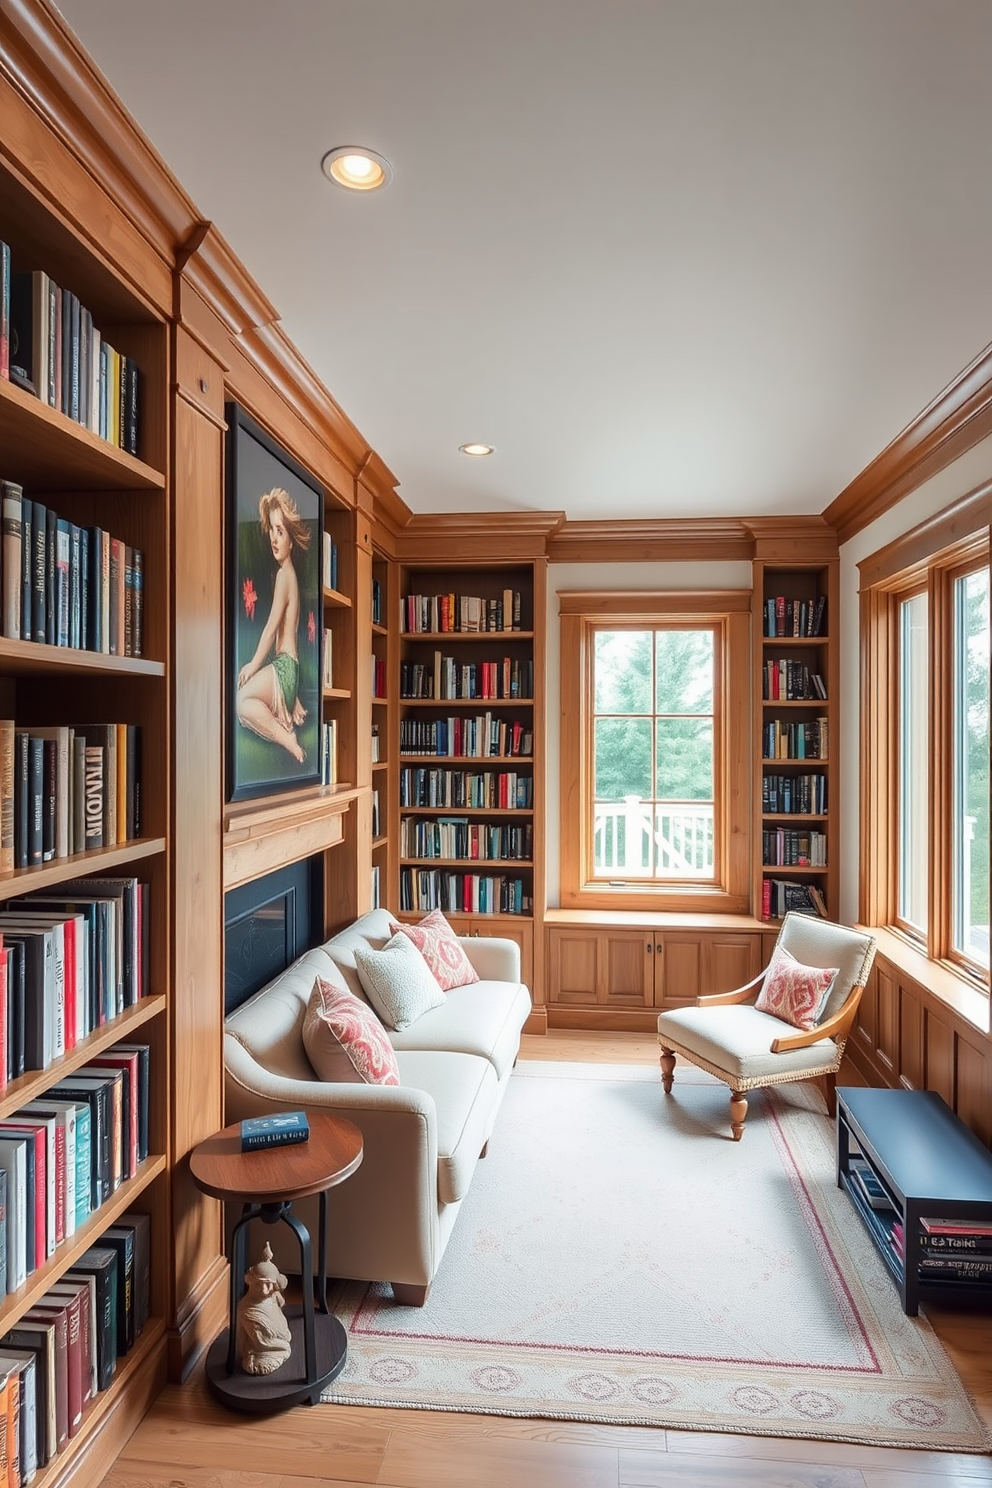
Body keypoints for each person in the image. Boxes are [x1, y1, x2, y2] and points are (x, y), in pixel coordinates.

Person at [236, 486, 311, 762]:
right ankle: (285, 730)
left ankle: (287, 740)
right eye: (272, 530)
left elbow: (271, 629)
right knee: (246, 708)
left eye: (281, 532)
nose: (274, 539)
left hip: (284, 667)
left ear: (292, 540)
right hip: (289, 668)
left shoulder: (284, 576)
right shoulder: (289, 576)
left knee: (242, 702)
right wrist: (296, 696)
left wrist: (253, 665)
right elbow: (289, 637)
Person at [236, 1241, 293, 1376]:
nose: (263, 1290)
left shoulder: (272, 1295)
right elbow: (262, 1342)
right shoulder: (248, 1310)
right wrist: (285, 1346)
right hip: (262, 1350)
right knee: (262, 1364)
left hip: (278, 1339)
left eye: (268, 1284)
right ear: (251, 1282)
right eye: (258, 1284)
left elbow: (279, 1300)